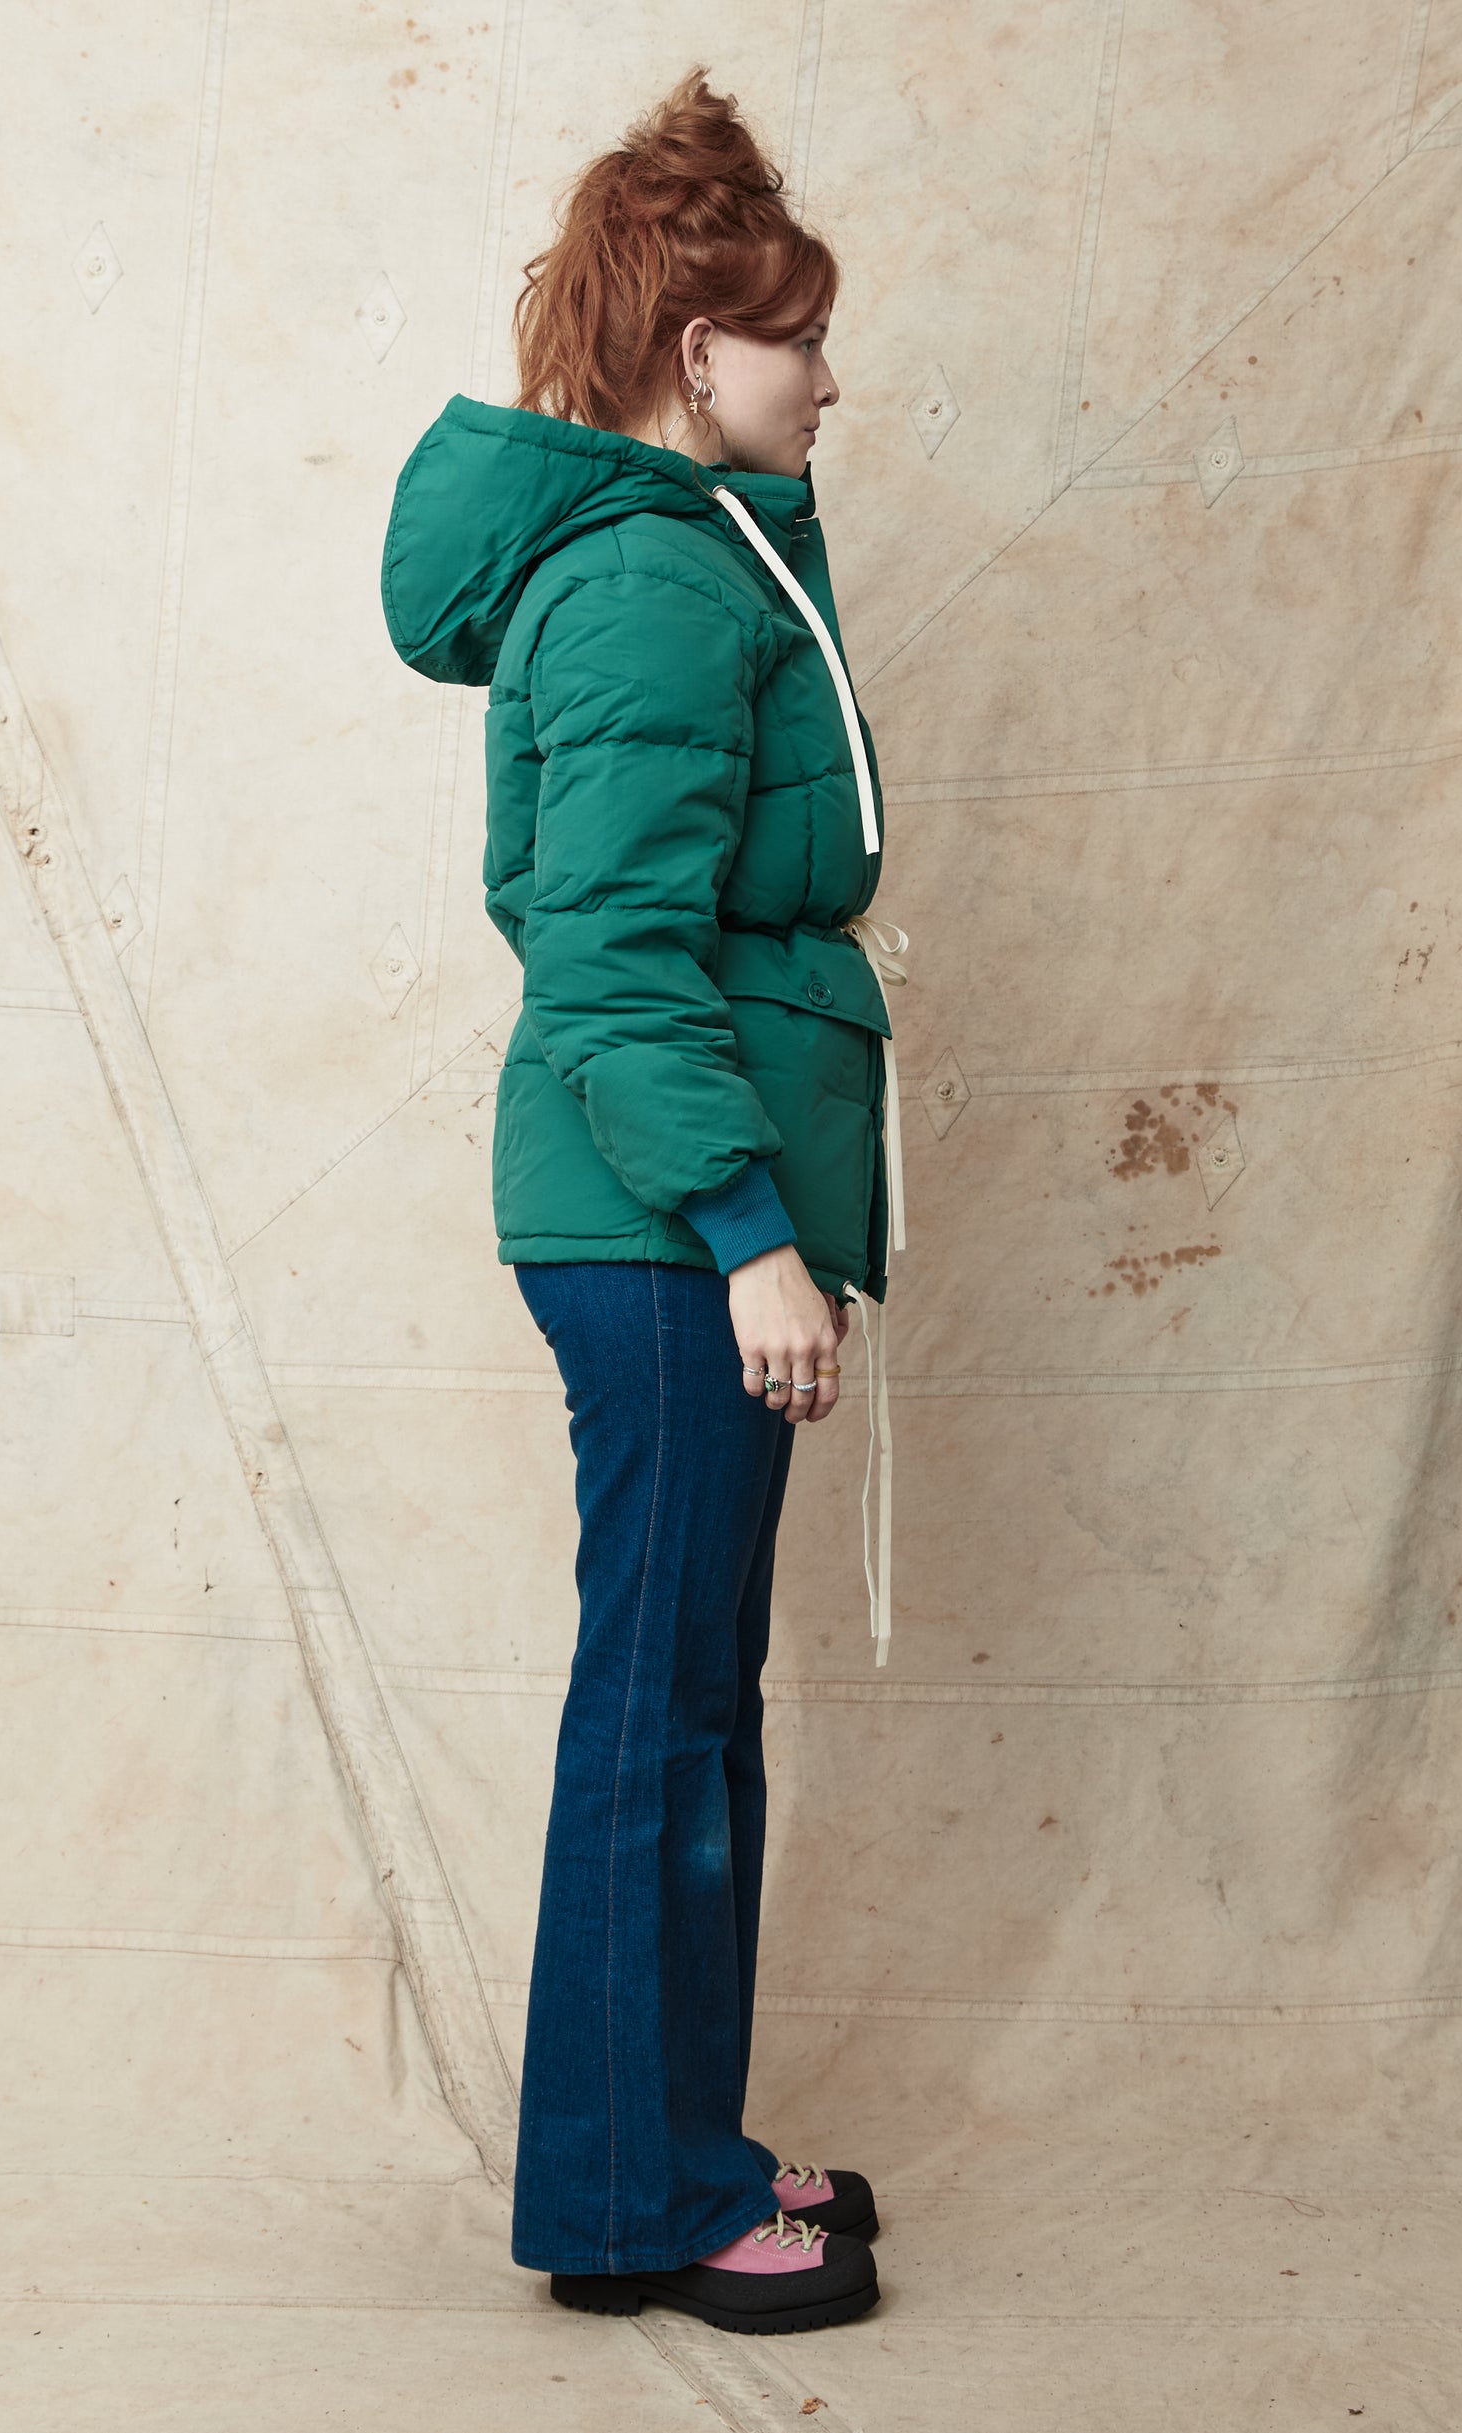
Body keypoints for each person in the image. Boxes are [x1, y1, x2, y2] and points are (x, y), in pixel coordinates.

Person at [381, 63, 897, 2337]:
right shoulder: (650, 587)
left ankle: (672, 2141)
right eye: (801, 338)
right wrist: (748, 1232)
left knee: (691, 1694)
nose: (828, 378)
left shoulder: (688, 559)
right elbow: (607, 954)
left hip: (672, 1212)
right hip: (659, 1226)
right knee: (656, 1711)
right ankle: (634, 2201)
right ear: (703, 353)